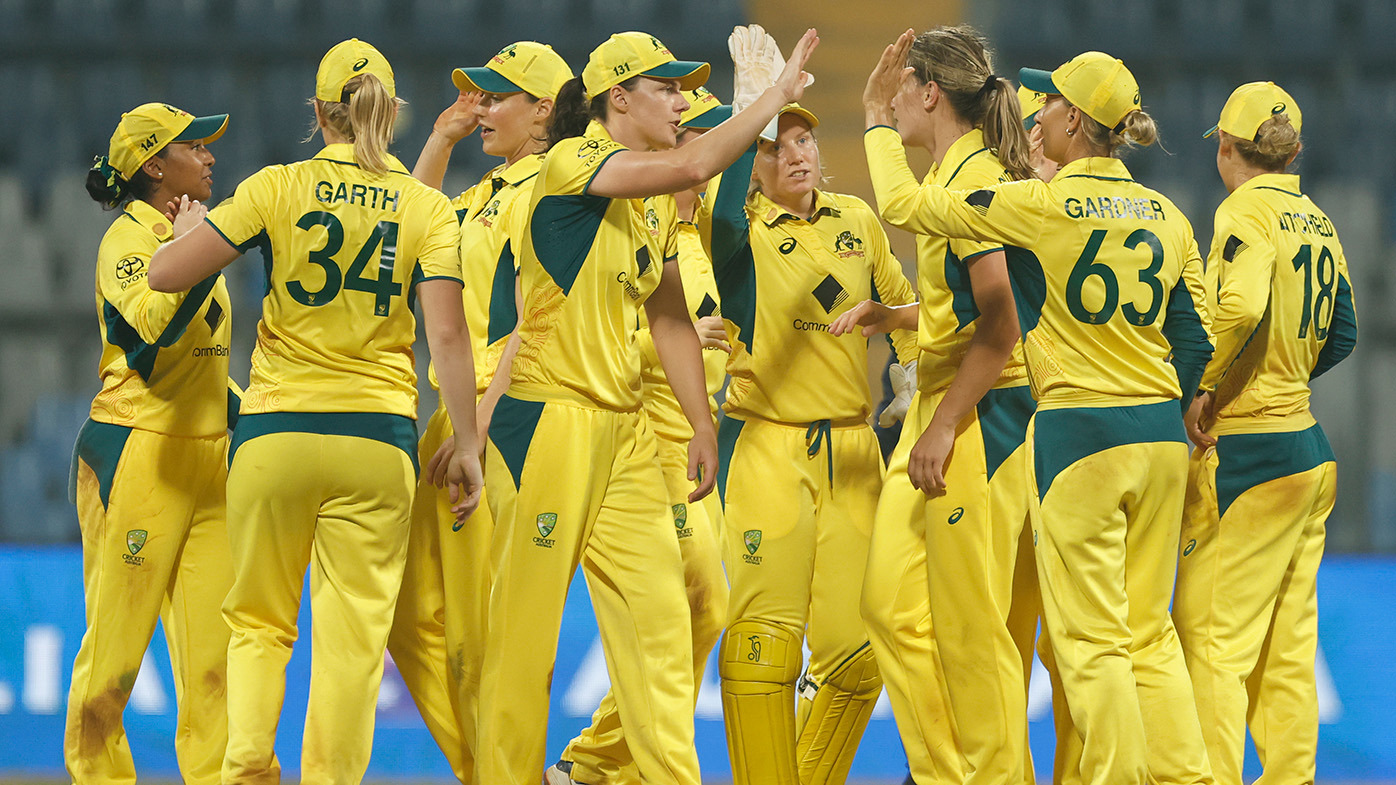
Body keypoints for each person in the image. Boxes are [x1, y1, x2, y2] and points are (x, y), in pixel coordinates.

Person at [862, 47, 1217, 785]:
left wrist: (872, 125)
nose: (1038, 115)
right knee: (1150, 637)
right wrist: (1179, 404)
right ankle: (1191, 777)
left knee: (1090, 647)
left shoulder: (1041, 204)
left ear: (1075, 119)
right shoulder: (1169, 214)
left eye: (1050, 104)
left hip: (1079, 433)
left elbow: (905, 209)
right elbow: (1197, 336)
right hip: (1158, 433)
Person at [474, 27, 818, 785]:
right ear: (618, 99)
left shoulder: (651, 199)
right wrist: (773, 97)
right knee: (525, 642)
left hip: (624, 432)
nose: (683, 100)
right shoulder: (572, 161)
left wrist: (700, 421)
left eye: (686, 89)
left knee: (667, 626)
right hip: (546, 422)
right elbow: (697, 161)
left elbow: (667, 314)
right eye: (668, 89)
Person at [147, 38, 484, 784]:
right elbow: (449, 337)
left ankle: (243, 767)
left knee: (259, 624)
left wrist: (180, 237)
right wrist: (466, 443)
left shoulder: (277, 186)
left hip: (276, 433)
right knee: (352, 643)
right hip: (378, 440)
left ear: (319, 113)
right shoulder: (427, 207)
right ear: (391, 114)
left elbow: (168, 273)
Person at [709, 29, 918, 785]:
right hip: (768, 447)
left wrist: (912, 370)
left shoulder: (857, 220)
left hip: (857, 453)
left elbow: (908, 308)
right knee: (764, 645)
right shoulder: (737, 233)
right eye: (775, 146)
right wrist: (755, 106)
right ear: (752, 165)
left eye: (803, 139)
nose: (795, 154)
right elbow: (721, 207)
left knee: (858, 659)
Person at [838, 25, 1038, 785]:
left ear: (928, 92)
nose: (892, 98)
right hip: (942, 405)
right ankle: (951, 772)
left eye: (901, 88)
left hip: (979, 416)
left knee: (970, 627)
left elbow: (1003, 323)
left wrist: (947, 420)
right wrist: (902, 317)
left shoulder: (971, 183)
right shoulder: (961, 177)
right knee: (888, 604)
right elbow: (968, 303)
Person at [386, 40, 573, 783]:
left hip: (495, 415)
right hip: (456, 412)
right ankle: (493, 771)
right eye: (481, 95)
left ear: (545, 111)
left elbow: (538, 318)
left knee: (479, 633)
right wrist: (438, 138)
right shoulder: (490, 189)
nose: (484, 108)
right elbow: (413, 226)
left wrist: (482, 424)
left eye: (500, 97)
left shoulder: (547, 191)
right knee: (407, 622)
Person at [546, 85, 733, 785]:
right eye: (694, 132)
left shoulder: (697, 234)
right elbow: (609, 331)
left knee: (705, 606)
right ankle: (604, 763)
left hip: (688, 433)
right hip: (639, 432)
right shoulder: (622, 213)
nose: (705, 148)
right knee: (679, 608)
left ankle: (599, 760)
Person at [1173, 82, 1357, 785]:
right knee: (1286, 646)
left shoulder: (1242, 211)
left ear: (1225, 145)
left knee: (1212, 640)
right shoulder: (1318, 219)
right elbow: (1344, 330)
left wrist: (1207, 388)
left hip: (1246, 452)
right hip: (1307, 450)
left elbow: (1242, 306)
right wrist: (1291, 369)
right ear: (1294, 151)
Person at [66, 102, 234, 785]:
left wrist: (253, 420)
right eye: (195, 144)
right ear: (156, 166)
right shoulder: (129, 244)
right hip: (138, 451)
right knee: (113, 660)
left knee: (215, 664)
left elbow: (204, 361)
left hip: (210, 460)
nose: (211, 154)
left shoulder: (191, 241)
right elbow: (152, 332)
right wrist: (189, 250)